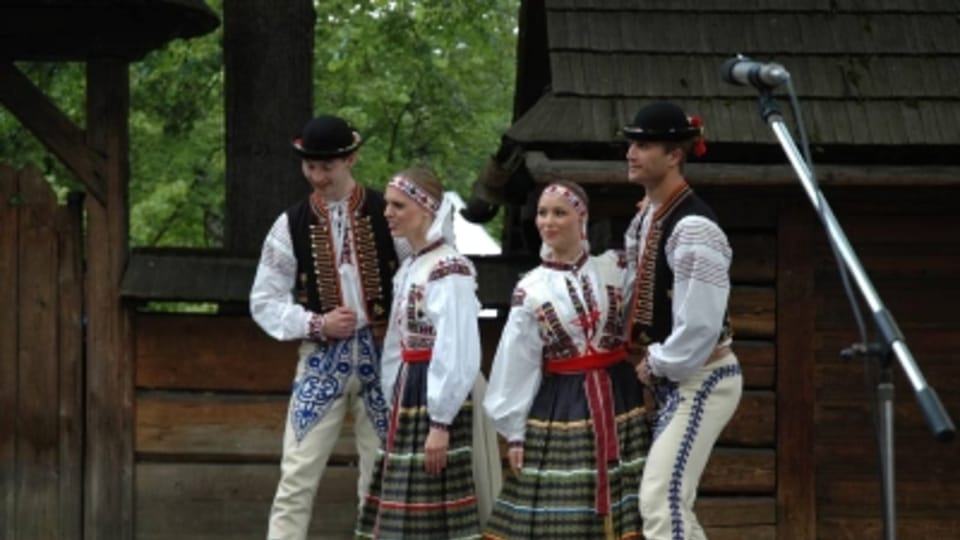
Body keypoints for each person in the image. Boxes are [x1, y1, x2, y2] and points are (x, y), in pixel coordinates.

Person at [250, 114, 403, 540]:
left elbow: (423, 279)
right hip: (321, 359)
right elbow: (264, 300)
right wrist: (317, 323)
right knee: (296, 476)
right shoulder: (290, 224)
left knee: (382, 481)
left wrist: (398, 323)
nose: (317, 176)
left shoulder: (388, 214)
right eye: (309, 166)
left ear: (351, 159)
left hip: (385, 361)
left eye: (326, 167)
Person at [483, 180, 650, 540]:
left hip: (620, 398)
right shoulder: (531, 288)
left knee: (634, 502)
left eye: (560, 212)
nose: (548, 221)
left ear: (582, 218)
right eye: (542, 213)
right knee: (566, 507)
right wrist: (514, 433)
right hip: (562, 405)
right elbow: (518, 362)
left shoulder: (615, 268)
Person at [355, 167, 501, 540]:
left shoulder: (448, 268)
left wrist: (440, 422)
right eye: (387, 204)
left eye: (398, 205)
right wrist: (394, 396)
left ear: (425, 210)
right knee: (404, 500)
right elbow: (396, 345)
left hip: (437, 395)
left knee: (434, 505)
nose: (387, 212)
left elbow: (456, 348)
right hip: (412, 390)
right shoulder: (412, 267)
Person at [621, 102, 742, 540]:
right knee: (666, 502)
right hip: (678, 377)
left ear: (675, 155)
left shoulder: (693, 227)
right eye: (631, 143)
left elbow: (700, 325)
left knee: (660, 501)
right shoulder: (649, 217)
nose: (632, 152)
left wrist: (657, 363)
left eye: (645, 144)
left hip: (703, 375)